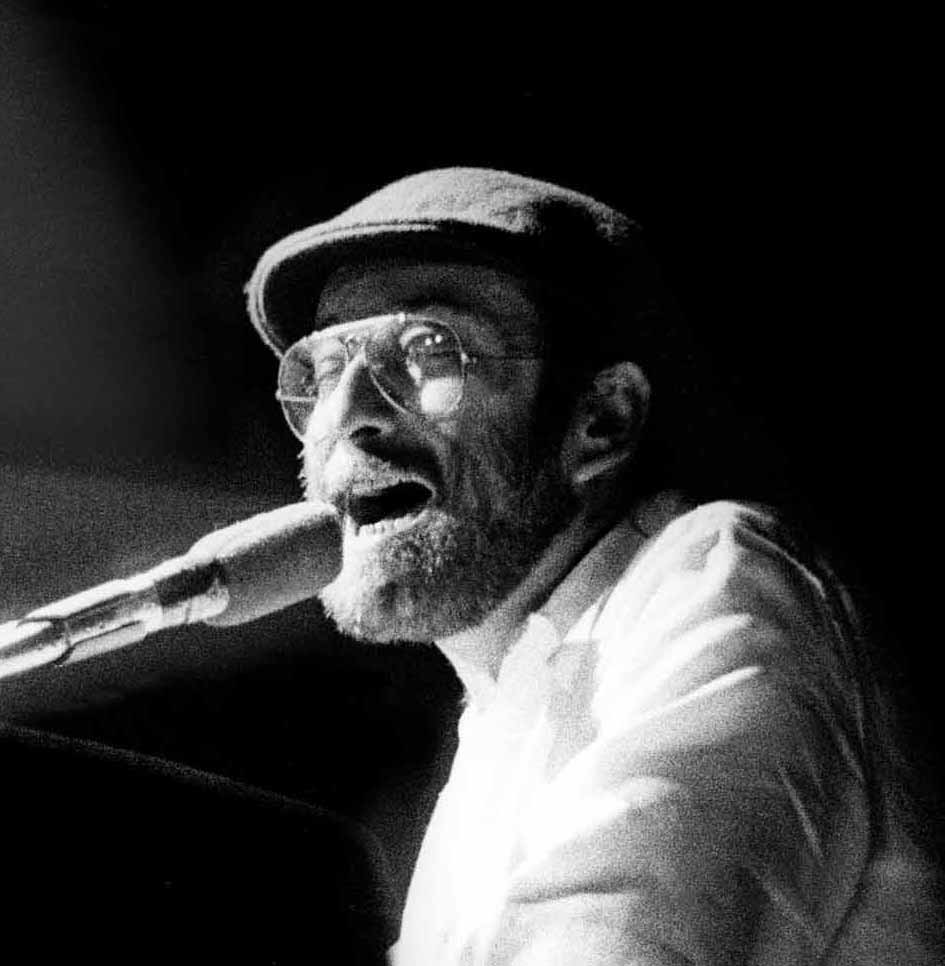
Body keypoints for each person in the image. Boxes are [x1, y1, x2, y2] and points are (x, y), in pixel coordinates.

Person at [245, 168, 942, 964]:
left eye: (427, 351)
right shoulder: (500, 712)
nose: (345, 416)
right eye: (323, 370)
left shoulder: (711, 573)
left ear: (602, 419)